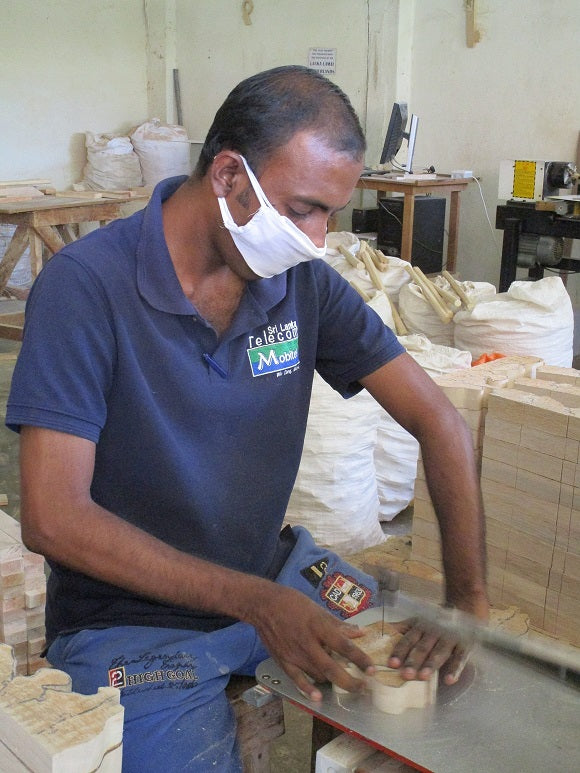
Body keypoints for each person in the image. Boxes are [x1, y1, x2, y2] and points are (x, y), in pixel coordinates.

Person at [6, 65, 488, 771]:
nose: (317, 239)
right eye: (302, 210)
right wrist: (255, 602)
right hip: (132, 621)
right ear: (230, 176)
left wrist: (465, 600)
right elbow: (53, 516)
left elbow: (439, 421)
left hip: (275, 573)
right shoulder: (86, 287)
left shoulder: (303, 287)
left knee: (439, 692)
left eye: (330, 213)